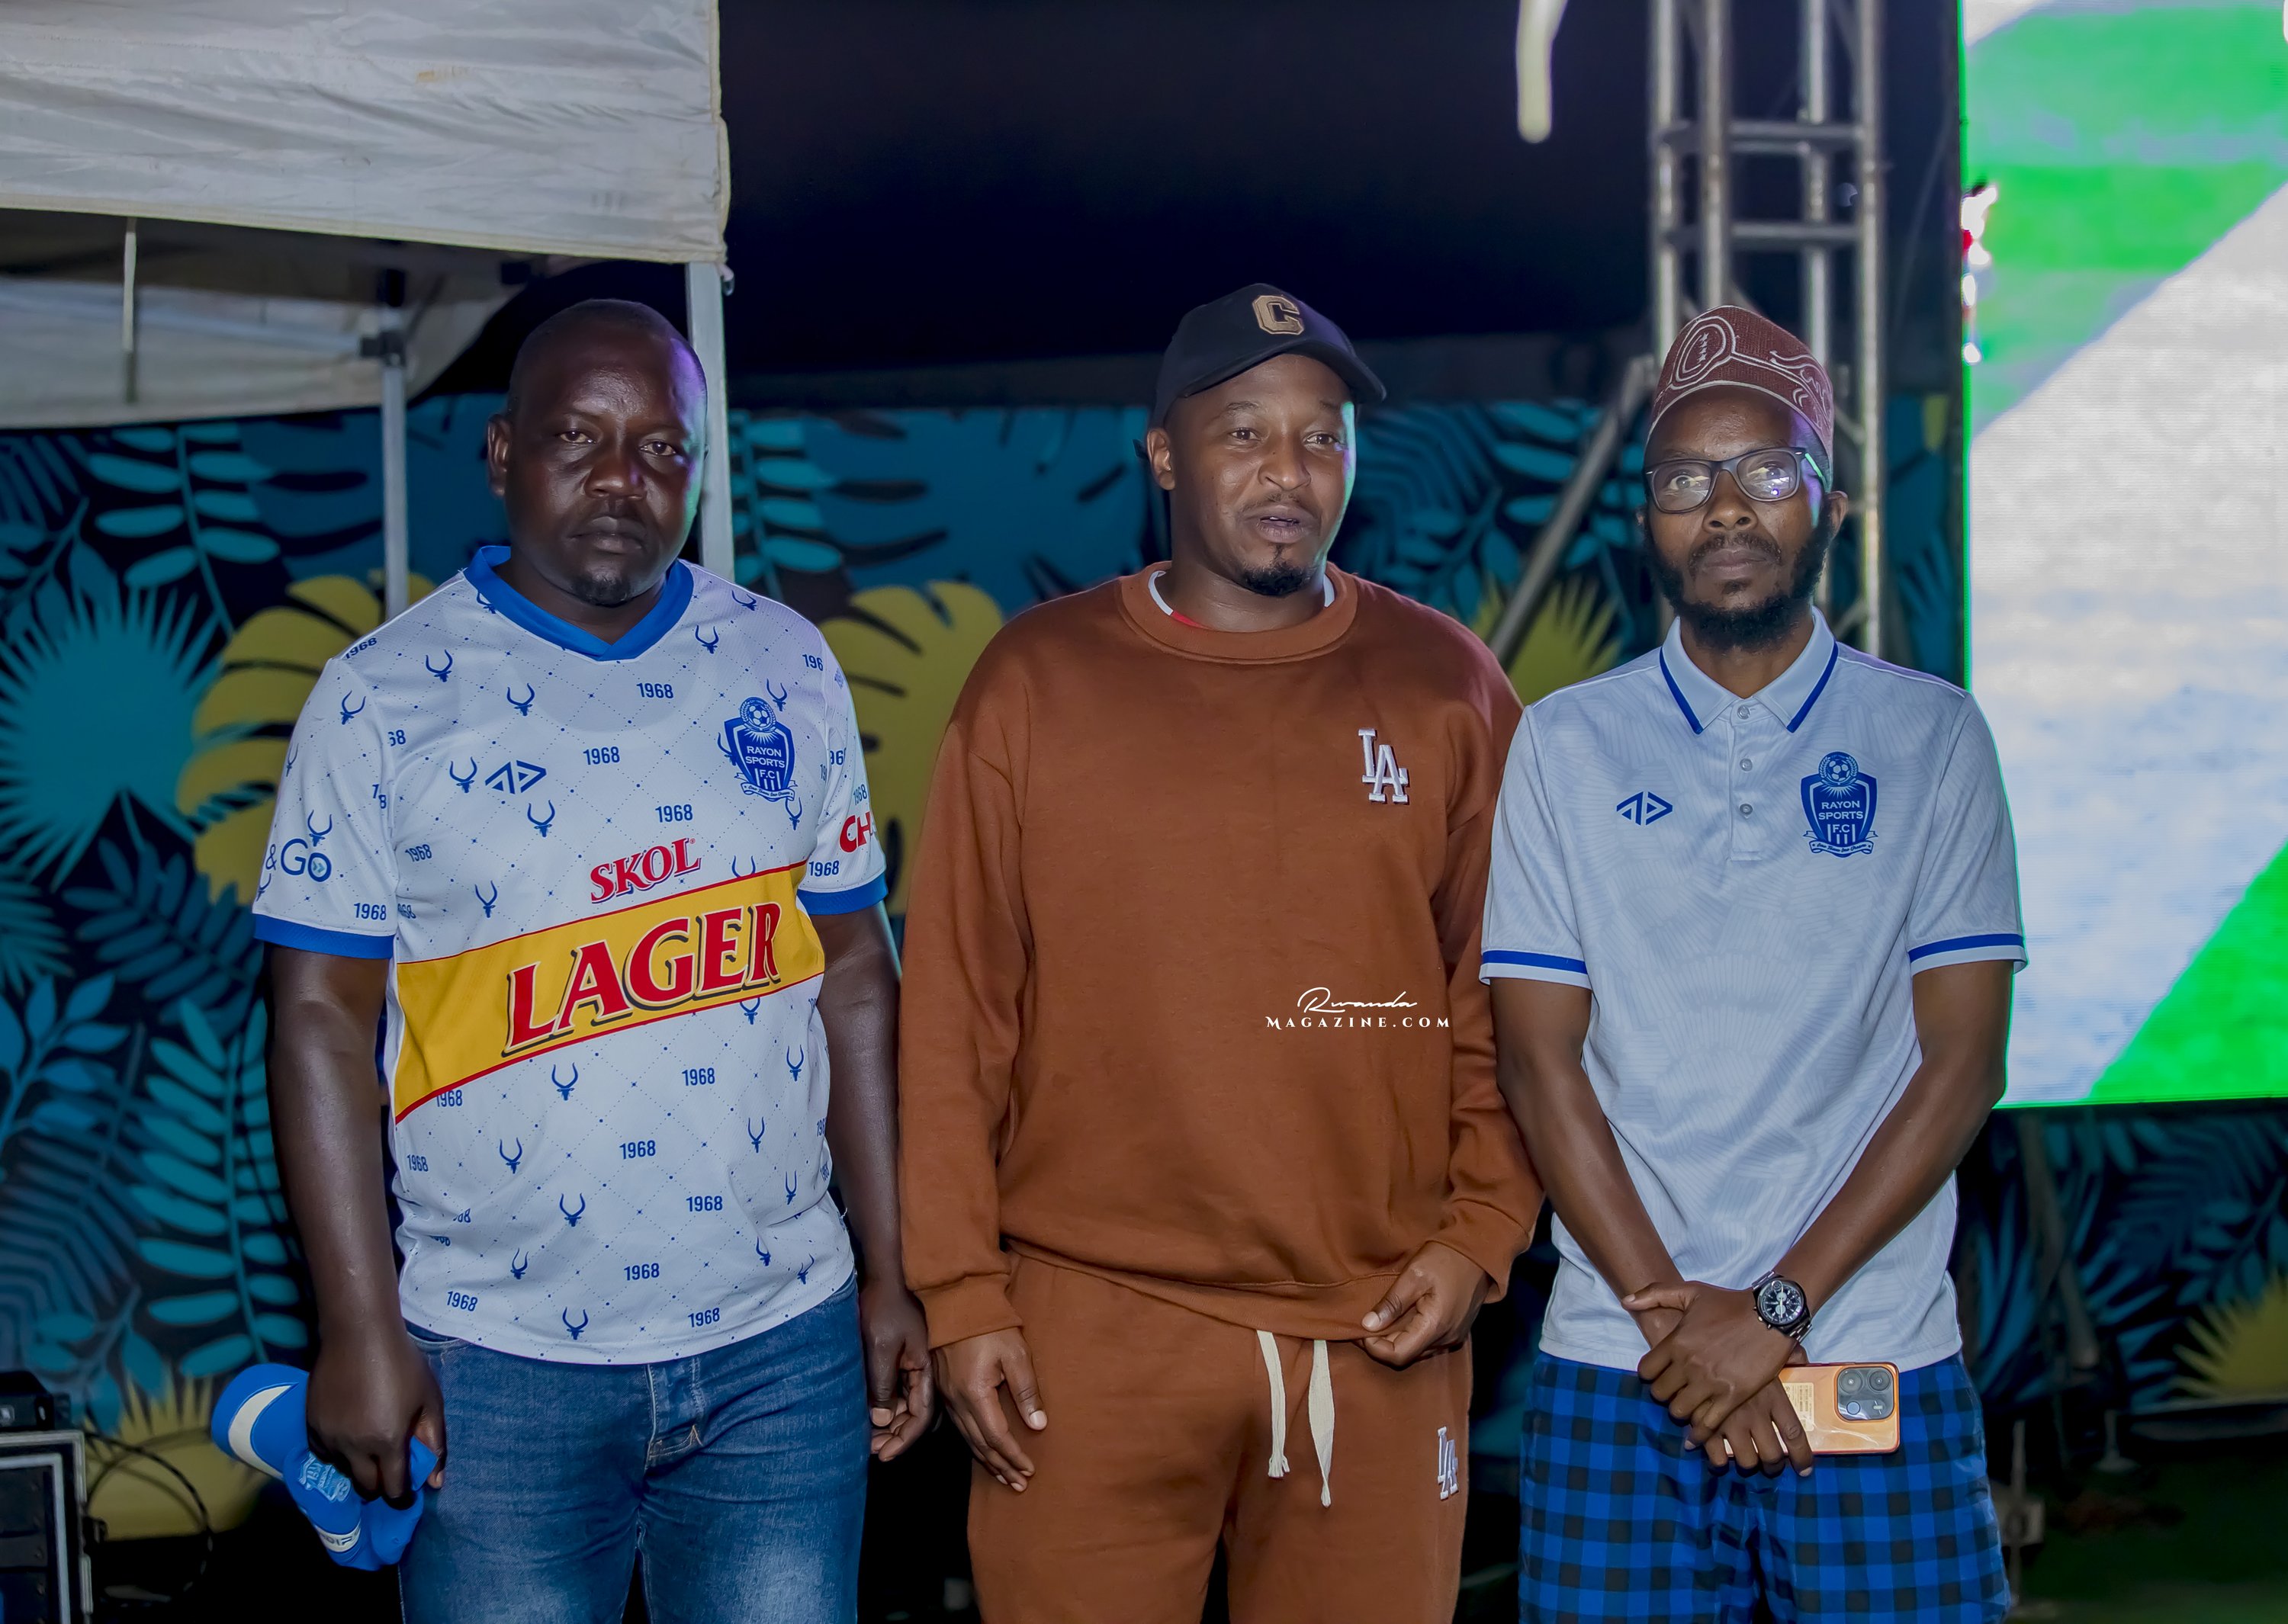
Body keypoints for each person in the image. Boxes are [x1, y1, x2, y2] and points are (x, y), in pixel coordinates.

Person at [255, 299, 932, 1624]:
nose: (623, 478)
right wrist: (359, 1325)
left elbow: (854, 974)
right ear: (503, 453)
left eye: (663, 448)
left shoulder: (786, 664)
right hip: (492, 1364)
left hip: (779, 1352)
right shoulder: (382, 695)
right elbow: (320, 1022)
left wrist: (894, 1267)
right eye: (579, 438)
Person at [898, 283, 1543, 1624]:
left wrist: (1482, 1233)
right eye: (1245, 432)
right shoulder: (1036, 681)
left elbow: (1502, 996)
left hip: (1379, 1327)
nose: (1288, 471)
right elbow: (957, 1014)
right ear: (1163, 456)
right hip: (1089, 1331)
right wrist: (960, 1294)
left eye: (1322, 436)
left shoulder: (1448, 685)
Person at [1484, 306, 2017, 1622]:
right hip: (1625, 1362)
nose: (1725, 505)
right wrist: (1687, 1332)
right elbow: (1539, 1062)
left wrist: (1774, 1311)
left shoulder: (1934, 737)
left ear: (1832, 502)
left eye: (1766, 470)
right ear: (1646, 521)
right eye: (1685, 479)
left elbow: (1963, 1063)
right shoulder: (1562, 744)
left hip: (1867, 1348)